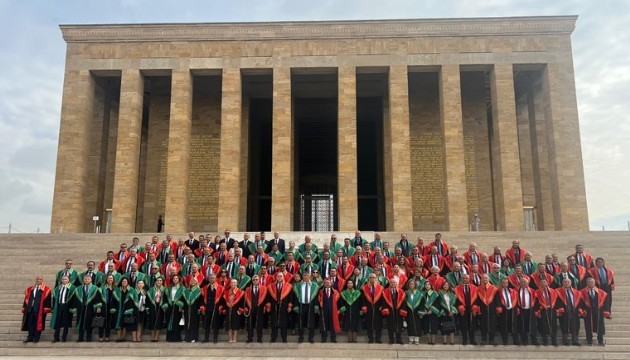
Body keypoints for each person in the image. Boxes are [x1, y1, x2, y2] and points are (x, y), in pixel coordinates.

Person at [21, 275, 52, 343]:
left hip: (40, 310)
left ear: (42, 280)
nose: (39, 281)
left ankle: (36, 338)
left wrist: (46, 309)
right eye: (37, 279)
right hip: (30, 309)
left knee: (38, 324)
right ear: (36, 280)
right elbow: (26, 299)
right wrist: (24, 308)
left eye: (40, 279)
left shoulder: (46, 289)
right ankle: (30, 337)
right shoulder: (30, 289)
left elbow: (47, 300)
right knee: (30, 323)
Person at [73, 274, 102, 342]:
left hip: (90, 308)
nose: (87, 280)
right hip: (81, 308)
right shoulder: (79, 288)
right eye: (85, 279)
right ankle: (80, 337)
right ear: (83, 280)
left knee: (89, 323)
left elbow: (98, 298)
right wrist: (74, 307)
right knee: (80, 323)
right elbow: (76, 299)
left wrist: (98, 307)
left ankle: (89, 337)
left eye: (88, 279)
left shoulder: (95, 288)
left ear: (91, 280)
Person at [579, 277, 608, 346]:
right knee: (588, 326)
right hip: (588, 311)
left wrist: (605, 311)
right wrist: (582, 310)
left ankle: (600, 340)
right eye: (589, 282)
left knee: (600, 326)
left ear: (595, 283)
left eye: (592, 282)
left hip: (598, 311)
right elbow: (580, 302)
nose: (591, 283)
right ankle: (589, 340)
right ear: (587, 283)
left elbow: (605, 303)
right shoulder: (582, 292)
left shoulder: (601, 292)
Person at [294, 272, 319, 343]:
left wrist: (316, 305)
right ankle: (300, 337)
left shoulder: (314, 286)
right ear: (302, 276)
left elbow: (316, 297)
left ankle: (311, 338)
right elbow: (295, 297)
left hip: (310, 305)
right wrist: (296, 305)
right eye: (304, 275)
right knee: (300, 322)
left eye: (307, 275)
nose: (306, 276)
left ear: (310, 276)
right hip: (301, 305)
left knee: (311, 321)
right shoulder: (298, 285)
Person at [556, 278, 582, 346]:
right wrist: (559, 308)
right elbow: (556, 301)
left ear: (571, 283)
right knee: (564, 325)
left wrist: (579, 309)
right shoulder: (558, 291)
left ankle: (575, 340)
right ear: (562, 283)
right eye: (565, 282)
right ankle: (565, 340)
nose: (567, 283)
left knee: (575, 325)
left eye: (568, 282)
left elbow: (579, 301)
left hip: (574, 311)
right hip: (564, 311)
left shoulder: (576, 292)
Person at [454, 274, 478, 345]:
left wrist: (474, 309)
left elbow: (477, 299)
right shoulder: (457, 288)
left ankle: (472, 339)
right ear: (461, 279)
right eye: (463, 278)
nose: (465, 279)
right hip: (463, 309)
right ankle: (464, 339)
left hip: (471, 309)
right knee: (463, 325)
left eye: (466, 278)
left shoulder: (474, 288)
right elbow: (456, 300)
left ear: (469, 279)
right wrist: (461, 308)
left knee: (472, 325)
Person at [269, 272, 292, 343]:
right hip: (274, 306)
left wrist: (289, 306)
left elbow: (290, 297)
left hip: (284, 306)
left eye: (281, 276)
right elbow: (269, 297)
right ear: (276, 277)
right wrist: (268, 305)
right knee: (274, 322)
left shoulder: (288, 286)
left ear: (283, 277)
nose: (279, 277)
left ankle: (284, 338)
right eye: (278, 276)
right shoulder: (271, 286)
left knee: (284, 323)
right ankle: (273, 338)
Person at [534, 278, 558, 346]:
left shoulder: (553, 291)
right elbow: (535, 302)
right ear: (540, 284)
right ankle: (545, 341)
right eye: (542, 282)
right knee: (543, 326)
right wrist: (538, 309)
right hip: (542, 310)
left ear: (547, 283)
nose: (543, 284)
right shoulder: (537, 292)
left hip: (551, 309)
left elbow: (556, 301)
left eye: (544, 282)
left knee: (553, 325)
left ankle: (554, 341)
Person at [51, 275, 75, 343]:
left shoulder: (72, 288)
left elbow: (74, 299)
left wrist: (72, 308)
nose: (64, 280)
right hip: (58, 306)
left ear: (68, 280)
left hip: (67, 307)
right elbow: (54, 298)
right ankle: (56, 337)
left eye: (65, 279)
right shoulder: (57, 288)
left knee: (66, 323)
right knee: (57, 322)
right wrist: (53, 308)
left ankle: (64, 337)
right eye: (63, 279)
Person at [201, 273, 224, 343]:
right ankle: (206, 338)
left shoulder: (220, 288)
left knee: (216, 324)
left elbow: (222, 300)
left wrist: (221, 307)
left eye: (213, 278)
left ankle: (215, 338)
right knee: (206, 323)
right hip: (208, 308)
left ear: (216, 279)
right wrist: (203, 308)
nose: (212, 279)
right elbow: (202, 299)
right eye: (210, 278)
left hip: (216, 308)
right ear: (208, 279)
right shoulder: (205, 288)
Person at [361, 273, 384, 343]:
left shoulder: (381, 287)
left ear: (376, 278)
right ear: (369, 278)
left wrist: (382, 306)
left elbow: (383, 298)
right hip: (368, 308)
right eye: (371, 277)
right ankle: (370, 338)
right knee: (369, 323)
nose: (372, 279)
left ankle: (378, 338)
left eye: (374, 277)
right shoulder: (364, 288)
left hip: (378, 308)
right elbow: (362, 298)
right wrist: (363, 306)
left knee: (378, 324)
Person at [476, 274, 498, 345]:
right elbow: (476, 300)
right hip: (482, 309)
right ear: (481, 280)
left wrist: (498, 308)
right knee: (483, 324)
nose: (484, 279)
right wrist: (477, 308)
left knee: (492, 324)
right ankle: (484, 339)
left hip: (492, 309)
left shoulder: (494, 288)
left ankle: (492, 340)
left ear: (488, 279)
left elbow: (497, 300)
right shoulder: (478, 289)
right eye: (483, 278)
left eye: (486, 278)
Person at [114, 277, 138, 342]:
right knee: (118, 324)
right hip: (118, 309)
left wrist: (132, 310)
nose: (124, 282)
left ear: (128, 283)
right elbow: (113, 301)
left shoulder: (132, 290)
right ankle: (119, 337)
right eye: (123, 281)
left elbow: (135, 301)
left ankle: (123, 337)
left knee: (124, 323)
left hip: (128, 310)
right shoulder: (117, 290)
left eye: (125, 281)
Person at [515, 277, 538, 345]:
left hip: (530, 310)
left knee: (532, 326)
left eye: (525, 282)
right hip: (521, 310)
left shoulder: (532, 291)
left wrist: (536, 310)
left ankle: (534, 340)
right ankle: (524, 340)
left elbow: (536, 301)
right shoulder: (516, 290)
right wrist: (517, 308)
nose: (523, 283)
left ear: (528, 283)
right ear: (519, 283)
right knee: (522, 325)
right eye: (522, 282)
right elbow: (514, 300)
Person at [317, 278, 341, 343]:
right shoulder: (321, 292)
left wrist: (339, 310)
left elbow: (338, 302)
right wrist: (318, 309)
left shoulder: (335, 292)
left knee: (333, 324)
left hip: (333, 311)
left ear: (331, 284)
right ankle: (324, 338)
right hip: (323, 311)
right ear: (324, 284)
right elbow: (318, 302)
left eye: (329, 282)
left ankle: (333, 338)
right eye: (326, 283)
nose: (327, 284)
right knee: (324, 324)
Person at [245, 275, 267, 343]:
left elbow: (265, 299)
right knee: (250, 324)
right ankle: (249, 338)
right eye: (254, 280)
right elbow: (246, 299)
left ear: (259, 280)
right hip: (250, 307)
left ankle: (259, 338)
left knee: (259, 324)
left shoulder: (264, 288)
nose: (255, 281)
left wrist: (265, 306)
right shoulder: (248, 289)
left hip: (259, 308)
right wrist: (246, 307)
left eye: (256, 279)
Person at [496, 277, 517, 345]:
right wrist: (498, 307)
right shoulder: (498, 291)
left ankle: (515, 340)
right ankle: (505, 341)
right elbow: (497, 300)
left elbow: (515, 300)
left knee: (513, 325)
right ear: (501, 283)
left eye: (506, 283)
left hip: (511, 310)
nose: (505, 284)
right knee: (503, 326)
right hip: (503, 310)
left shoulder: (512, 291)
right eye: (503, 283)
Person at [164, 274, 185, 342]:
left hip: (177, 306)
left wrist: (181, 304)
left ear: (179, 279)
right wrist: (166, 304)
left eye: (176, 278)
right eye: (174, 278)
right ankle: (169, 338)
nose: (175, 279)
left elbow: (184, 298)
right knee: (169, 321)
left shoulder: (182, 288)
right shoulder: (169, 288)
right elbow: (165, 297)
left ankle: (176, 338)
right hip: (170, 305)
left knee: (176, 322)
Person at [224, 278, 245, 343]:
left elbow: (242, 302)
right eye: (232, 282)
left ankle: (234, 338)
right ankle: (230, 338)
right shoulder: (226, 292)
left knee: (235, 324)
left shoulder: (240, 292)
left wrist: (240, 309)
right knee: (229, 324)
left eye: (234, 282)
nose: (233, 284)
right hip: (228, 310)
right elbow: (224, 302)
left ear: (237, 284)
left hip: (236, 310)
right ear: (230, 284)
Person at [183, 277, 203, 343]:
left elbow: (201, 301)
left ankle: (193, 337)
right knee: (187, 323)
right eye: (191, 280)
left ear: (197, 281)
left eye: (194, 280)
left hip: (195, 309)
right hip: (187, 309)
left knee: (193, 323)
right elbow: (183, 301)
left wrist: (200, 308)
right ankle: (186, 338)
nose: (192, 281)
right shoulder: (186, 291)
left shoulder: (199, 291)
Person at [146, 276, 166, 342]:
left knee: (159, 321)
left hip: (160, 307)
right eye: (158, 280)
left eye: (160, 280)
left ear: (162, 282)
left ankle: (156, 337)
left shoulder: (164, 290)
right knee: (152, 321)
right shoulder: (151, 289)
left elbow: (166, 299)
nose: (159, 282)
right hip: (152, 306)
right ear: (155, 281)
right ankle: (152, 336)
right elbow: (148, 299)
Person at [404, 280, 422, 344]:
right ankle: (411, 339)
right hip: (409, 311)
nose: (411, 285)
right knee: (410, 325)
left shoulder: (419, 293)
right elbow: (404, 303)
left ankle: (417, 339)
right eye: (410, 284)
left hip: (417, 311)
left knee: (417, 325)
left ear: (415, 285)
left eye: (413, 284)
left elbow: (422, 303)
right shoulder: (406, 293)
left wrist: (421, 312)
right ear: (408, 285)